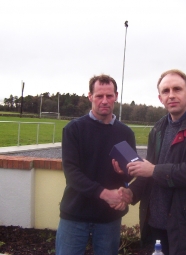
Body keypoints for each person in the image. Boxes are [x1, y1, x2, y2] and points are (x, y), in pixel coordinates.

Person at [113, 69, 186, 255]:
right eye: (165, 91)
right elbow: (148, 171)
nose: (171, 95)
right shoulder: (158, 128)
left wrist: (153, 170)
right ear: (160, 98)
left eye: (177, 89)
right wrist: (131, 192)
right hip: (156, 224)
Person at [56, 74, 135, 255]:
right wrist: (104, 193)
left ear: (116, 95)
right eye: (99, 96)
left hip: (109, 218)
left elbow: (130, 173)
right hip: (75, 215)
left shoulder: (126, 133)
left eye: (109, 96)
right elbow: (72, 173)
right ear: (90, 96)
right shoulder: (73, 129)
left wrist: (124, 177)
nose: (104, 101)